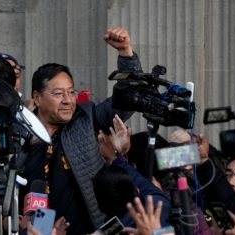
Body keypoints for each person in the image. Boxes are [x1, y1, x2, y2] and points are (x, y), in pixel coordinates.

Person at [18, 27, 142, 234]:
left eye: (71, 92)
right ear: (37, 97)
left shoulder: (85, 118)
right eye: (58, 93)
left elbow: (126, 101)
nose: (68, 100)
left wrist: (126, 53)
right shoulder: (19, 132)